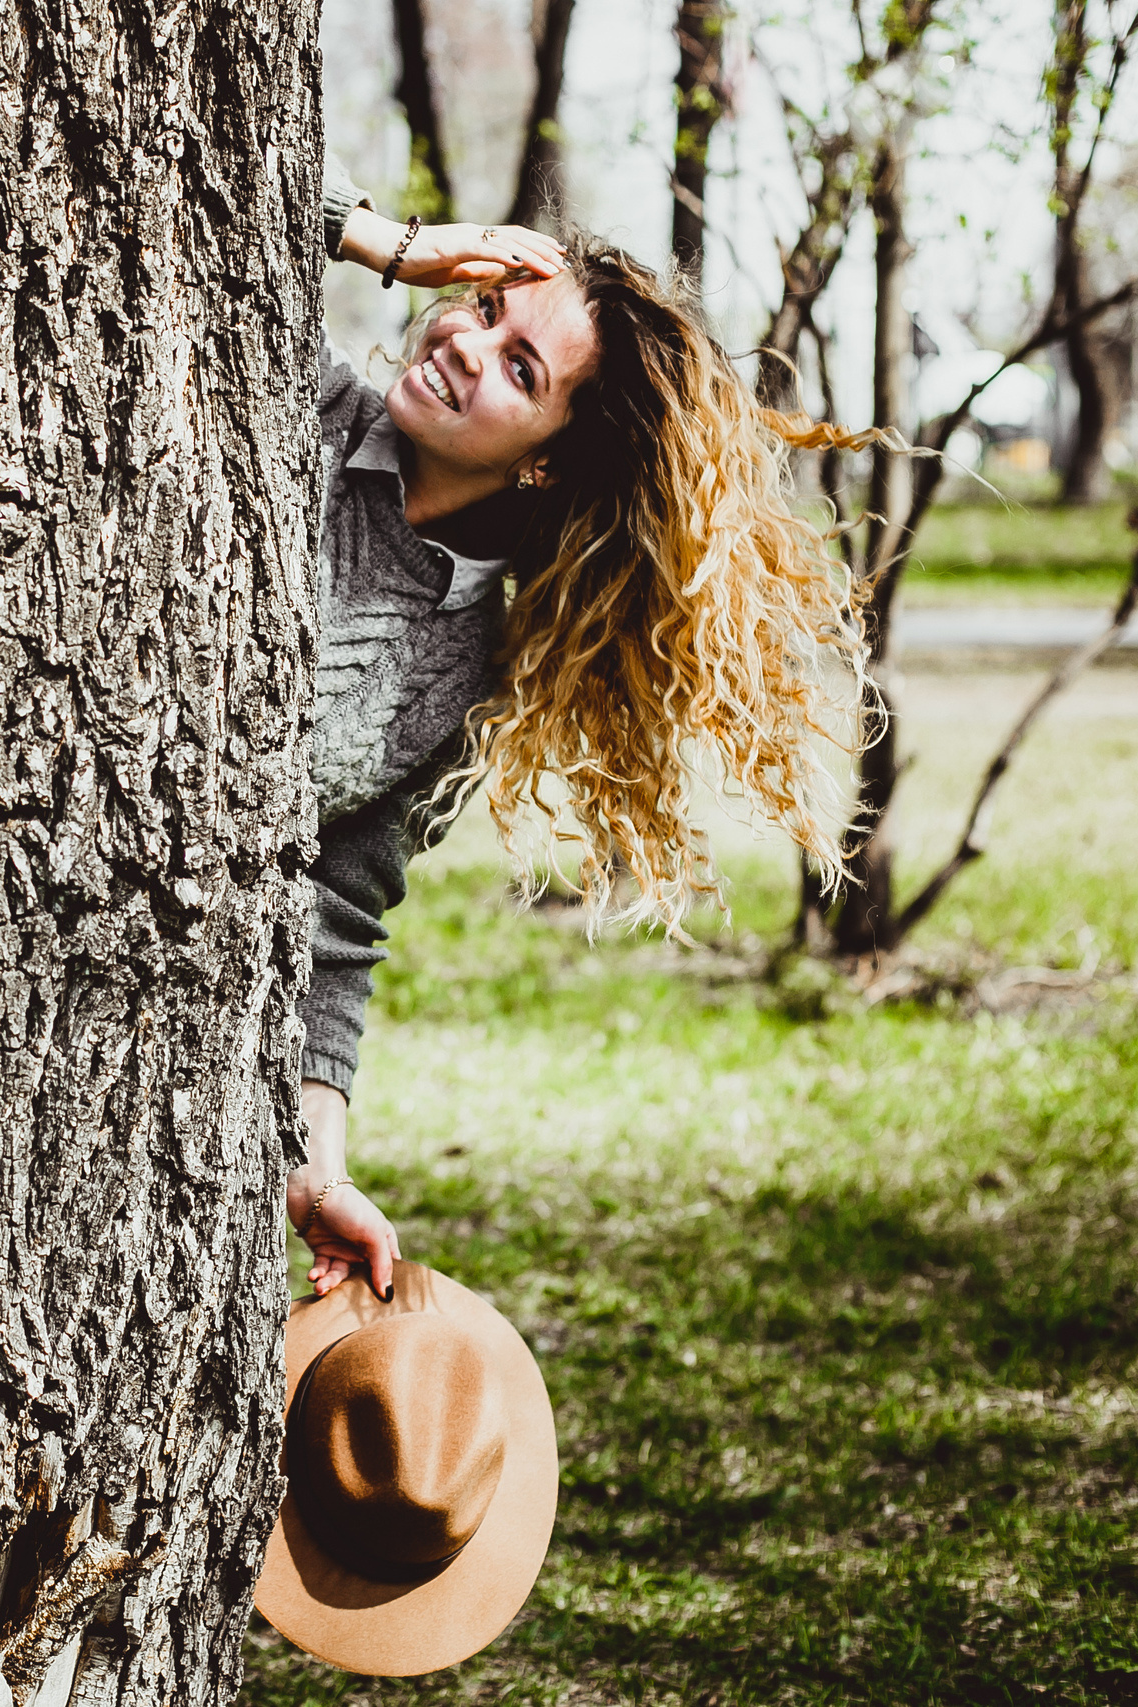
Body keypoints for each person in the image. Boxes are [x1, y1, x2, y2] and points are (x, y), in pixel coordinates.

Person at [285, 167, 872, 1297]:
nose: (464, 341)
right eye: (486, 304)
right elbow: (194, 166)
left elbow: (337, 904)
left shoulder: (467, 670)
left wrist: (316, 1168)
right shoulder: (288, 401)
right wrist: (385, 244)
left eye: (520, 367)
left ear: (546, 454)